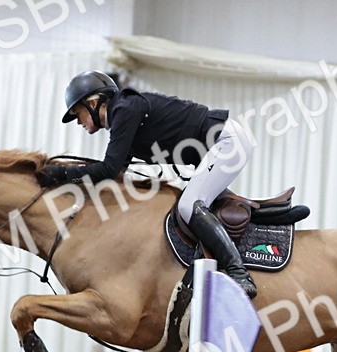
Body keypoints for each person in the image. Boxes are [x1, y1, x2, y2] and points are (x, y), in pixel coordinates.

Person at [38, 70, 257, 298]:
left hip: (226, 141)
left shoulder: (126, 109)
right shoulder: (124, 119)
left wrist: (60, 173)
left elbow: (107, 169)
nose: (78, 122)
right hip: (218, 145)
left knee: (188, 205)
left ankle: (238, 272)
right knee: (193, 203)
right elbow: (112, 176)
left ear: (93, 103)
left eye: (78, 113)